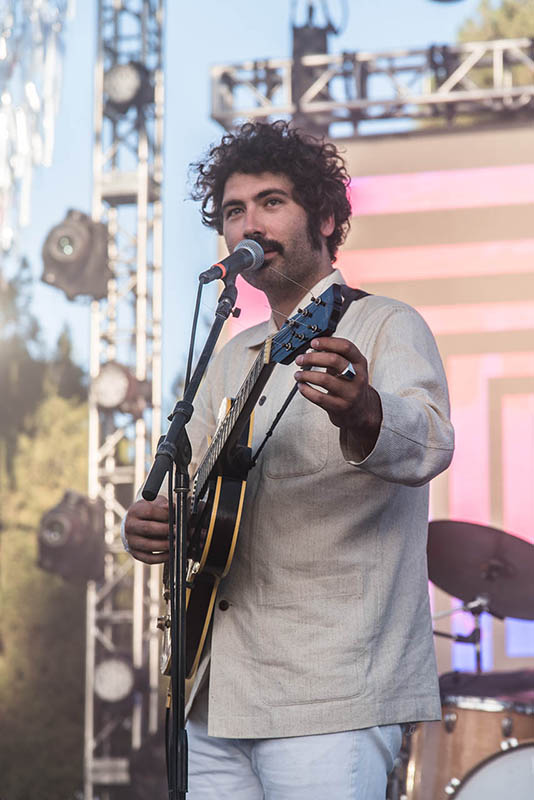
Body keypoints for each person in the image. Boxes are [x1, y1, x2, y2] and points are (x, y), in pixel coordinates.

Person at [123, 121, 454, 799]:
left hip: (330, 690)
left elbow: (430, 442)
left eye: (272, 202)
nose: (251, 223)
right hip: (214, 692)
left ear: (327, 218)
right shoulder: (231, 354)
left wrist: (365, 412)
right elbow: (200, 495)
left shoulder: (385, 325)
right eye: (235, 210)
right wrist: (157, 523)